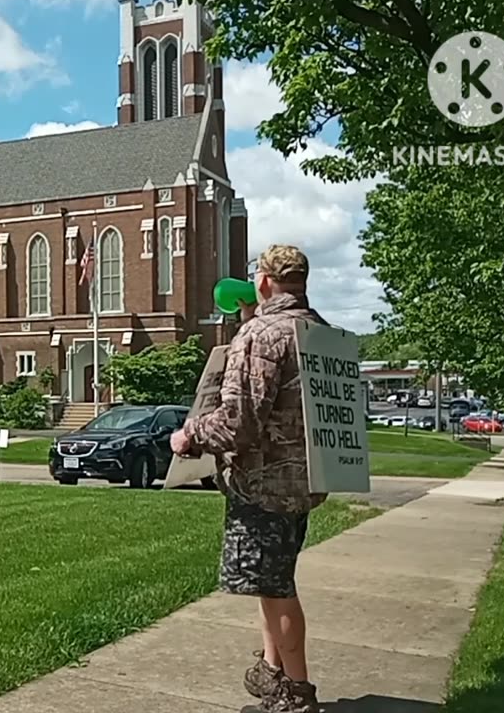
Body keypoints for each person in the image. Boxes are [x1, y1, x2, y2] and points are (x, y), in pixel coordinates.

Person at [170, 244, 327, 713]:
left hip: (264, 485)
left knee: (278, 590)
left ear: (263, 281)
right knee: (272, 580)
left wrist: (190, 434)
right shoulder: (318, 330)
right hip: (306, 480)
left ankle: (297, 693)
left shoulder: (261, 334)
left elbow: (240, 421)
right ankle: (274, 673)